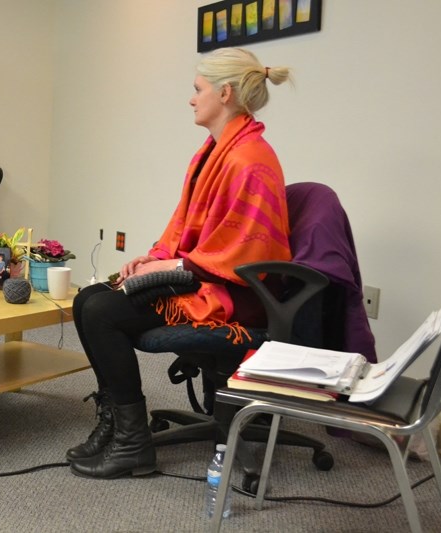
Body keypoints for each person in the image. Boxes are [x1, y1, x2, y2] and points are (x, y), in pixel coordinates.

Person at [68, 48, 293, 478]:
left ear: (224, 93)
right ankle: (115, 422)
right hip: (203, 276)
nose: (191, 99)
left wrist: (172, 269)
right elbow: (186, 228)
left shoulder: (250, 160)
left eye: (197, 90)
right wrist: (155, 259)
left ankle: (133, 444)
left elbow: (245, 253)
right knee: (89, 298)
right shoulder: (213, 151)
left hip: (236, 294)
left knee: (101, 311)